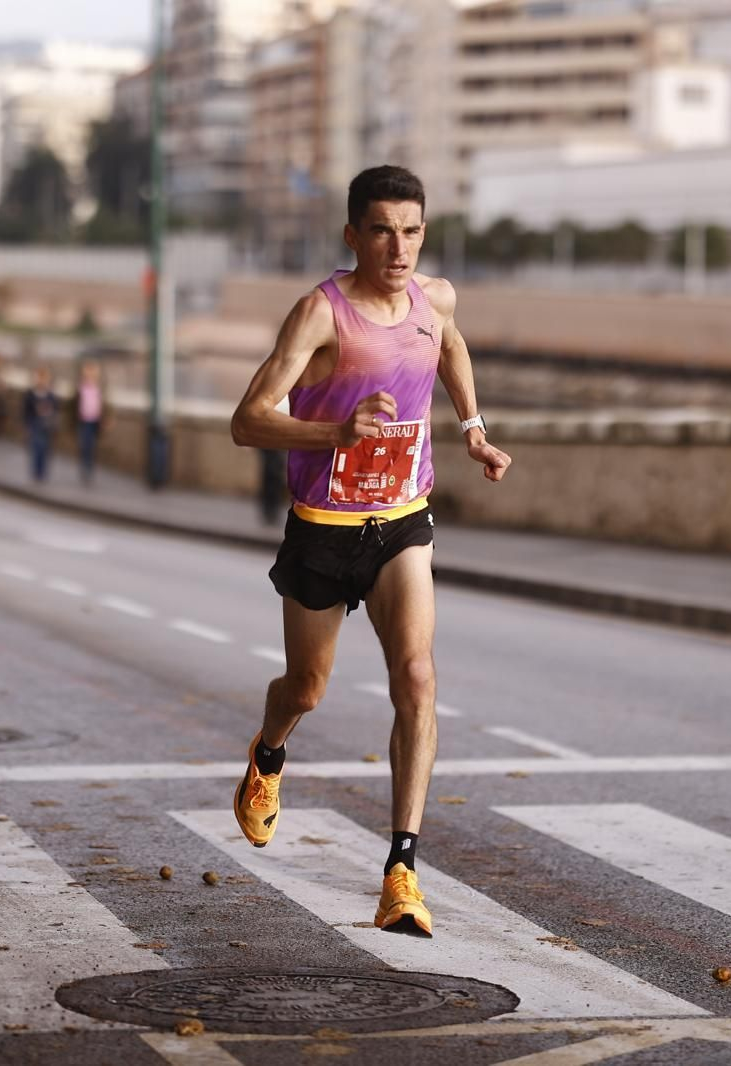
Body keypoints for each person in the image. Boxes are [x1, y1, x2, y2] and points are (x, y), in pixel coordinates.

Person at [228, 165, 511, 937]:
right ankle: (269, 751)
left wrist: (472, 428)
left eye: (411, 231)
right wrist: (334, 432)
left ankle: (401, 872)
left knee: (416, 676)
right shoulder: (320, 314)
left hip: (401, 521)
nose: (399, 248)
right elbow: (248, 421)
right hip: (323, 526)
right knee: (306, 689)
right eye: (382, 231)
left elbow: (450, 344)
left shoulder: (435, 298)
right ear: (353, 235)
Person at [23, 367, 61, 482]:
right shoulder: (31, 394)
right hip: (35, 422)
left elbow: (56, 409)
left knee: (45, 448)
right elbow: (26, 410)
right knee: (36, 447)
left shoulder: (50, 395)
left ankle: (42, 471)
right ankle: (36, 471)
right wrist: (27, 424)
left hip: (46, 425)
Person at [73, 358, 107, 484]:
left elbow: (105, 405)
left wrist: (105, 419)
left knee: (92, 447)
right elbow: (73, 405)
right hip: (83, 421)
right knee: (84, 446)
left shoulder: (99, 388)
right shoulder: (80, 388)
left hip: (94, 422)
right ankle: (84, 468)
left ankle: (89, 469)